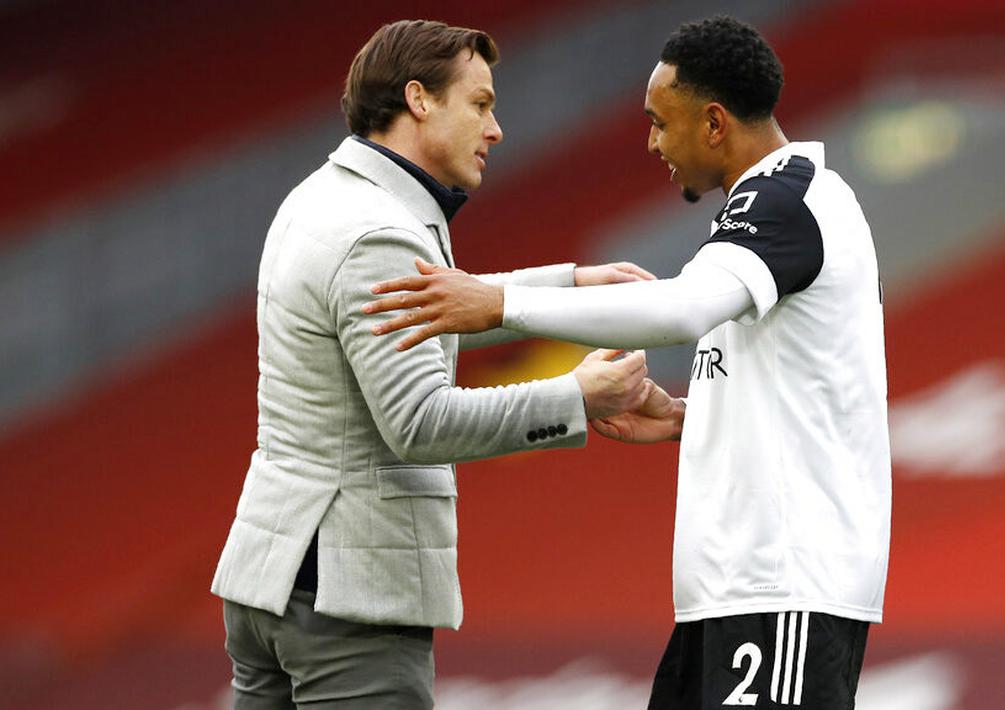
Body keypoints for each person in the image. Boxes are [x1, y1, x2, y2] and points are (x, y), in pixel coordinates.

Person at [363, 16, 891, 709]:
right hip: (738, 593)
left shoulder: (785, 198)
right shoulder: (775, 207)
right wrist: (684, 419)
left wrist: (497, 303)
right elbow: (806, 385)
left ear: (712, 123)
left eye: (658, 123)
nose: (650, 142)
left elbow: (679, 311)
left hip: (782, 587)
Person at [210, 19, 658, 708]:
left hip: (274, 578)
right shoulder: (379, 231)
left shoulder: (322, 198)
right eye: (479, 103)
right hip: (346, 599)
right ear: (418, 100)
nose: (496, 127)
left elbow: (412, 324)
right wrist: (577, 397)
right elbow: (418, 422)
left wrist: (568, 286)